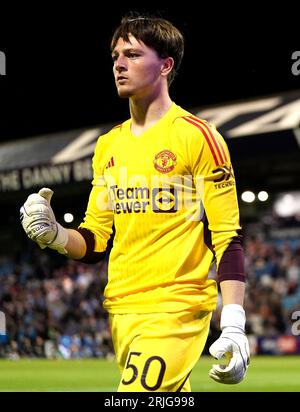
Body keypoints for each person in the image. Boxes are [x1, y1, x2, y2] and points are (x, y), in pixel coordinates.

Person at [20, 13, 250, 392]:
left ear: (165, 65)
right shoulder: (108, 145)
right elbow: (95, 239)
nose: (119, 64)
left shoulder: (198, 137)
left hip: (177, 307)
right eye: (115, 56)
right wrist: (56, 234)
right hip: (122, 309)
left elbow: (228, 237)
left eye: (132, 54)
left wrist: (234, 324)